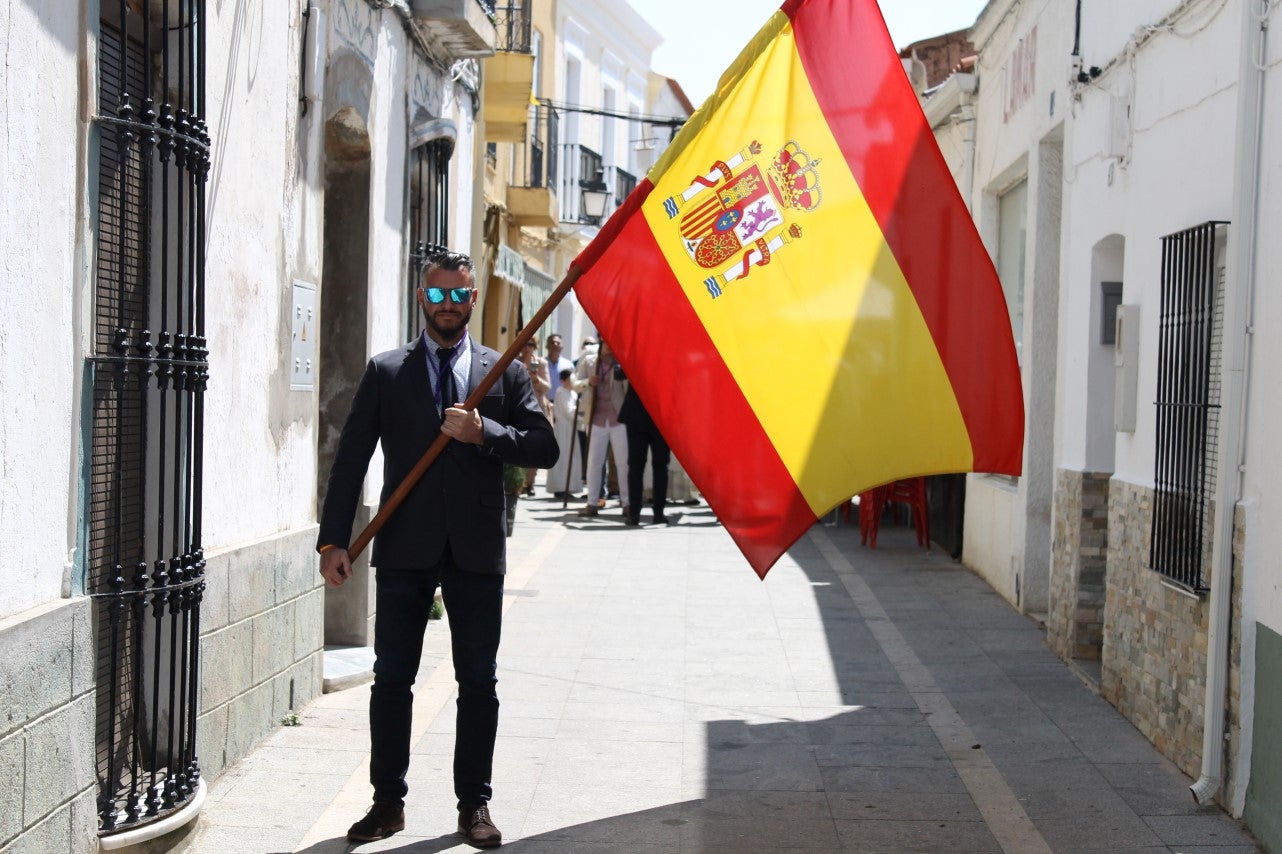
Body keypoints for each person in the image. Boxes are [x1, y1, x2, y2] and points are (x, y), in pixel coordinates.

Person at [316, 251, 557, 847]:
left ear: (473, 300)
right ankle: (386, 804)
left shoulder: (503, 372)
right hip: (404, 547)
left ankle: (474, 806)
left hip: (476, 550)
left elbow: (544, 448)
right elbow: (351, 461)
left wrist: (485, 433)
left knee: (479, 682)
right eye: (437, 295)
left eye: (459, 295)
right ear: (421, 298)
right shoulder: (387, 371)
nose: (447, 305)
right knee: (392, 680)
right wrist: (333, 540)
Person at [574, 340, 629, 518]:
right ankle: (592, 502)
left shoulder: (622, 361)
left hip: (618, 417)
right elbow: (575, 383)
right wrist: (588, 382)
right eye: (606, 341)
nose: (609, 345)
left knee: (623, 463)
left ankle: (627, 503)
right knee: (594, 463)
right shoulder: (590, 360)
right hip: (596, 417)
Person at [618, 381, 671, 526]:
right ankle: (634, 512)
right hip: (637, 416)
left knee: (660, 466)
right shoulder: (635, 357)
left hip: (661, 415)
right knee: (636, 466)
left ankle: (658, 512)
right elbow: (619, 372)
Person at [519, 336, 552, 495]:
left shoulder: (541, 363)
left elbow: (547, 387)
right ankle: (519, 481)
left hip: (537, 408)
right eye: (525, 343)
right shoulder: (514, 361)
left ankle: (530, 483)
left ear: (536, 347)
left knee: (535, 445)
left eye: (531, 344)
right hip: (518, 408)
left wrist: (535, 378)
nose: (527, 347)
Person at [546, 368, 583, 496]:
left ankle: (569, 487)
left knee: (572, 458)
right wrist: (583, 416)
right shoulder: (560, 391)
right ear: (563, 381)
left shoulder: (573, 393)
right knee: (563, 458)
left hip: (571, 428)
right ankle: (560, 488)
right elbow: (569, 412)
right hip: (563, 430)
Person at [544, 334, 574, 404]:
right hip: (545, 403)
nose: (555, 345)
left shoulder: (568, 365)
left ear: (562, 347)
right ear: (547, 346)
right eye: (552, 342)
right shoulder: (541, 364)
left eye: (558, 343)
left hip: (563, 404)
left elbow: (573, 385)